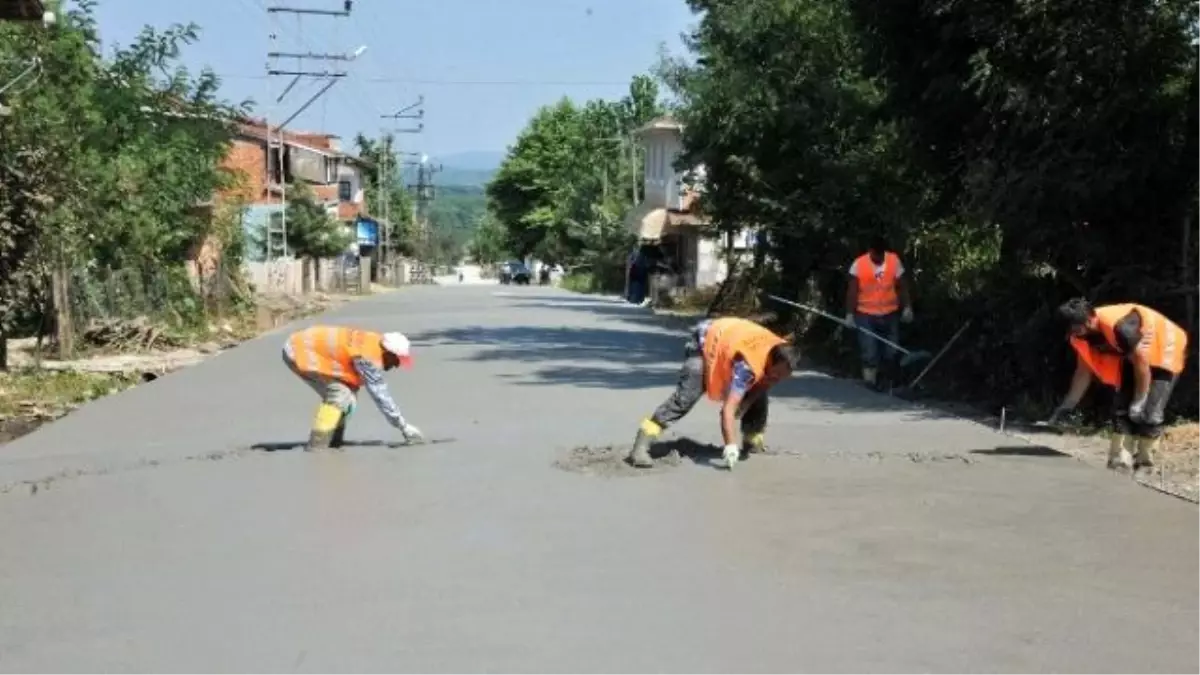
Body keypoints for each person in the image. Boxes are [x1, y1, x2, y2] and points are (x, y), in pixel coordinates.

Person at [627, 316, 801, 470]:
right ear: (770, 360)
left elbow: (763, 383)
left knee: (760, 394)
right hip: (706, 341)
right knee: (687, 396)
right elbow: (727, 410)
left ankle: (752, 440)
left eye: (781, 378)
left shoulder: (781, 352)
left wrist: (746, 404)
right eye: (776, 374)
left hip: (733, 338)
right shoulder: (749, 365)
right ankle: (641, 444)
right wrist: (730, 445)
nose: (776, 380)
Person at [1048, 299, 1188, 471]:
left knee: (1150, 411)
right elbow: (1083, 372)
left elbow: (1142, 362)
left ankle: (1145, 462)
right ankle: (1120, 460)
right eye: (1070, 328)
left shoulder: (1120, 327)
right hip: (1133, 356)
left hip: (1163, 348)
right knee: (1121, 408)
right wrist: (1067, 406)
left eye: (1077, 326)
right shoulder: (1079, 336)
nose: (1074, 331)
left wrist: (1139, 399)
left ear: (1091, 318)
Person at [282, 325, 423, 452]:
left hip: (309, 346)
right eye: (396, 361)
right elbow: (380, 394)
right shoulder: (366, 357)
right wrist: (403, 426)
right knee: (340, 394)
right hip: (298, 351)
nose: (397, 366)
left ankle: (333, 440)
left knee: (349, 399)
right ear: (388, 353)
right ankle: (317, 444)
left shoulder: (375, 342)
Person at [844, 235, 914, 389]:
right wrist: (849, 314)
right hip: (865, 314)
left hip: (890, 313)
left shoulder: (893, 261)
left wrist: (907, 307)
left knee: (892, 350)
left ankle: (888, 382)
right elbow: (852, 291)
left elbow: (902, 286)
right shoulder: (859, 264)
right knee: (869, 350)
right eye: (877, 254)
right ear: (870, 251)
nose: (880, 258)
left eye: (882, 254)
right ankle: (869, 382)